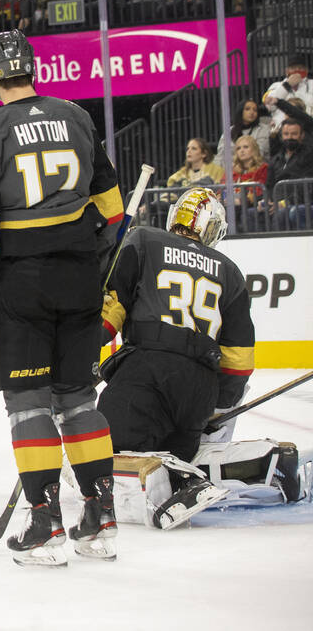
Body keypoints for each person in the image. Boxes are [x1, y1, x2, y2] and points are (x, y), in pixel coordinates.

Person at [0, 30, 124, 566]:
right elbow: (112, 212)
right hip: (78, 277)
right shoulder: (76, 116)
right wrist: (82, 252)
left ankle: (44, 521)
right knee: (77, 401)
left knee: (27, 406)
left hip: (20, 283)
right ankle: (99, 518)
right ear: (32, 70)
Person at [97, 188, 256, 529]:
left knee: (98, 452)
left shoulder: (144, 240)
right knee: (174, 449)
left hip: (147, 374)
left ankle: (179, 483)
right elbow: (239, 359)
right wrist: (216, 407)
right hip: (198, 391)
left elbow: (111, 312)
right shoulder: (230, 272)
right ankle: (181, 470)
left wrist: (79, 352)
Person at [216, 100, 271, 165]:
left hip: (257, 169)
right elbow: (221, 154)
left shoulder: (264, 129)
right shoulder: (229, 131)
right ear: (240, 111)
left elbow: (259, 152)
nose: (252, 112)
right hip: (231, 170)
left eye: (255, 110)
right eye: (247, 109)